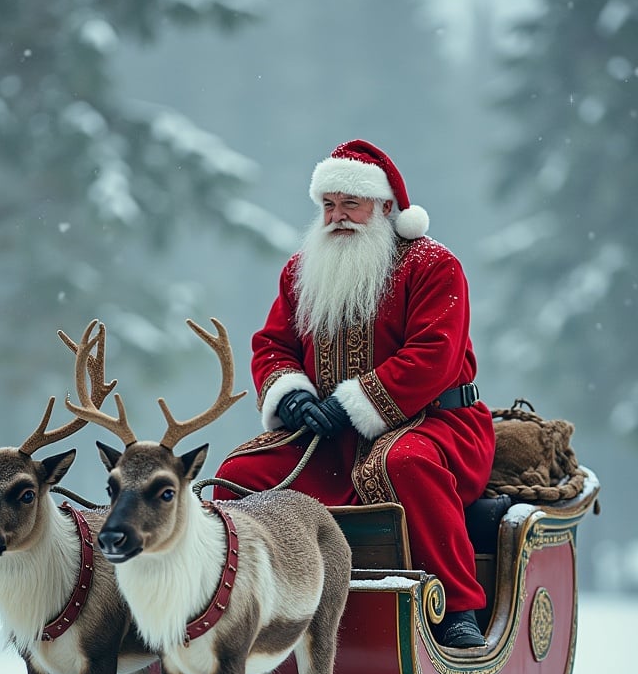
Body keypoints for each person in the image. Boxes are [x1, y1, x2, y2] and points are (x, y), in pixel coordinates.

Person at [213, 139, 496, 648]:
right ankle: (241, 605)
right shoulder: (301, 271)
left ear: (386, 207)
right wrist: (291, 393)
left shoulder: (433, 265)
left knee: (403, 464)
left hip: (435, 425)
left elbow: (435, 354)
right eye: (328, 205)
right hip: (328, 439)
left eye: (351, 204)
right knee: (238, 476)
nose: (338, 216)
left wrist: (352, 403)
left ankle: (458, 608)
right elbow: (272, 344)